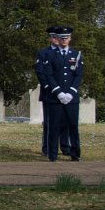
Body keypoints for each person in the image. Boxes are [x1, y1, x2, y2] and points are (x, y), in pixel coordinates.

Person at [42, 26, 83, 161]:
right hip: (55, 97)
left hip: (72, 98)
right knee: (53, 127)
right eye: (61, 38)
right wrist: (58, 92)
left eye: (66, 38)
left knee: (73, 126)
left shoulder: (76, 55)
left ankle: (75, 154)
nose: (64, 40)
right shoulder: (50, 55)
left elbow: (78, 75)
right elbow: (49, 75)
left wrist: (71, 93)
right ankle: (52, 155)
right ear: (57, 39)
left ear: (70, 39)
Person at [35, 25, 71, 157]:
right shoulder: (43, 53)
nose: (56, 39)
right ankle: (48, 147)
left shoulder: (67, 53)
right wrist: (51, 88)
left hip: (64, 93)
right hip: (49, 93)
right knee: (49, 122)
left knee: (65, 121)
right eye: (53, 36)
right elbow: (41, 72)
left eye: (58, 36)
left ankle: (65, 147)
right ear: (50, 38)